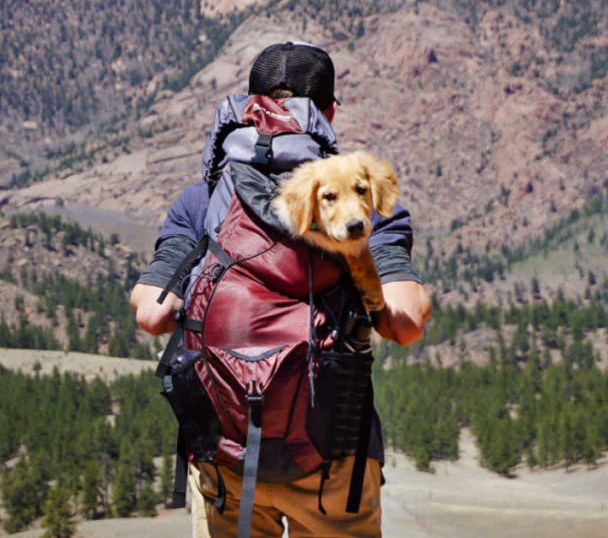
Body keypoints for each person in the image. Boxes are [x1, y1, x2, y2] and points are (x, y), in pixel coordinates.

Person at [130, 41, 432, 538]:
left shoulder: (202, 199)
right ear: (329, 113)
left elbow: (151, 314)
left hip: (224, 461)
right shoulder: (362, 204)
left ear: (251, 109)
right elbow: (405, 322)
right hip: (333, 465)